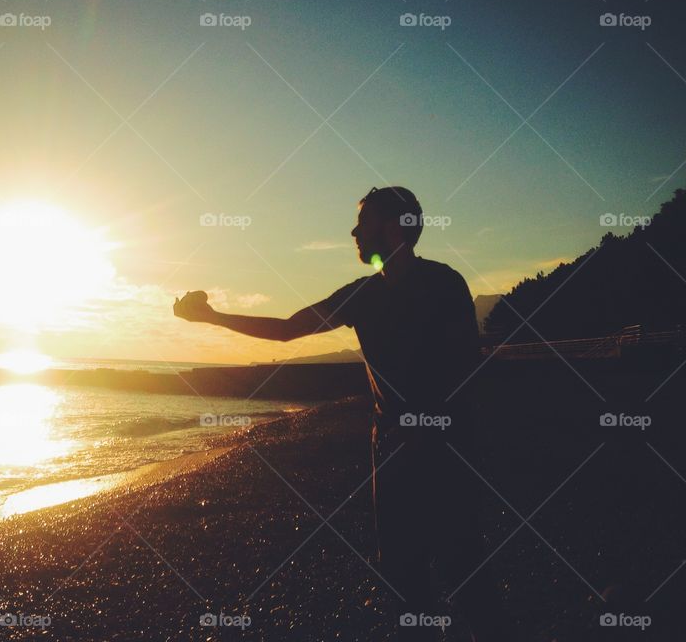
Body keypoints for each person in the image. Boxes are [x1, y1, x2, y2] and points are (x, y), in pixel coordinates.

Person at [174, 186, 515, 641]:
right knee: (407, 579)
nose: (354, 232)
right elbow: (289, 329)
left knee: (463, 572)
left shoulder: (440, 283)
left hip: (442, 451)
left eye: (365, 221)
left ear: (396, 227)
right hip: (394, 453)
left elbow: (464, 367)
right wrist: (212, 317)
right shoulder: (366, 294)